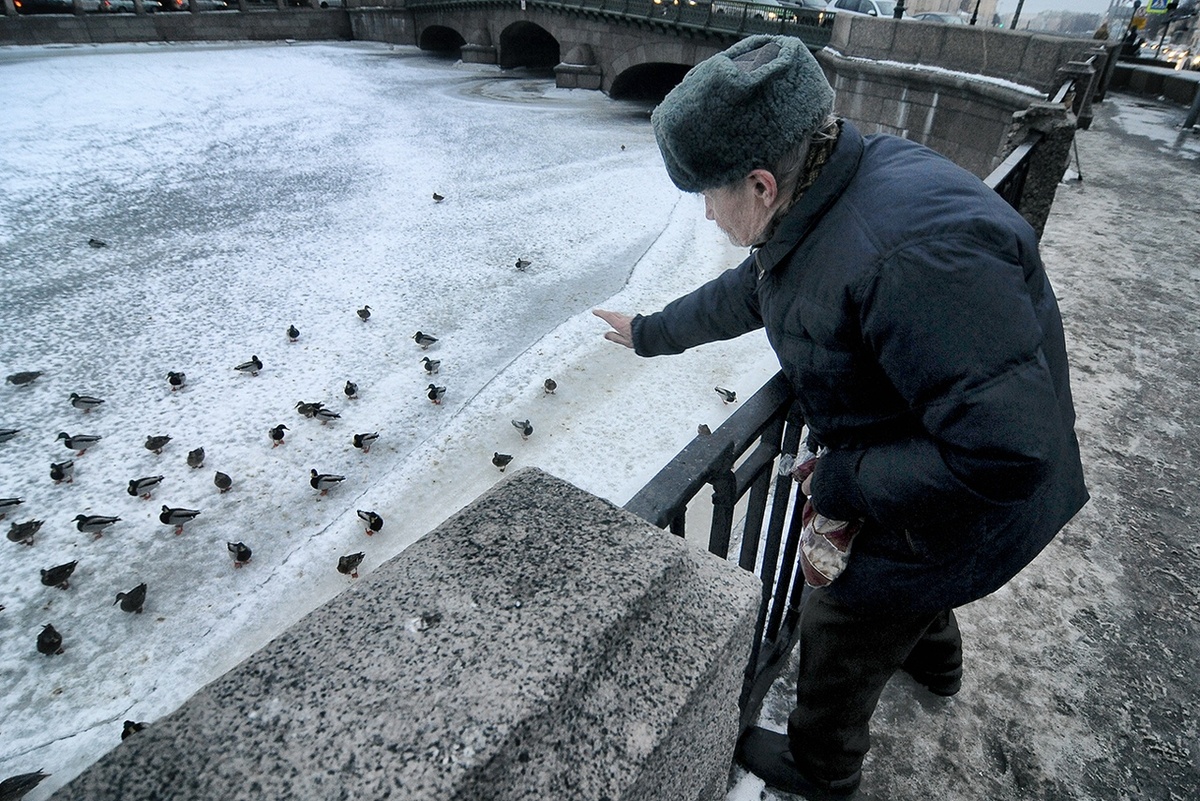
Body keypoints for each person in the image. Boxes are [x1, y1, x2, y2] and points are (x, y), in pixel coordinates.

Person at [594, 35, 1088, 800]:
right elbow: (757, 289)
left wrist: (844, 480)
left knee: (841, 622)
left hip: (959, 504)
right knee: (917, 593)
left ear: (760, 184)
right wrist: (652, 332)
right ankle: (938, 664)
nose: (705, 212)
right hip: (937, 489)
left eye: (707, 195)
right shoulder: (829, 194)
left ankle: (822, 766)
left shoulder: (912, 256)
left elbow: (1009, 452)